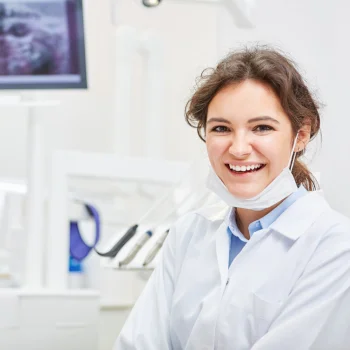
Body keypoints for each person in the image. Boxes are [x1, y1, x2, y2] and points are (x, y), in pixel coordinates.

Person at [114, 46, 350, 350]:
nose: (239, 148)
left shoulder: (335, 246)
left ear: (300, 135)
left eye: (262, 127)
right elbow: (138, 343)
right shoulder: (189, 234)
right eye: (221, 128)